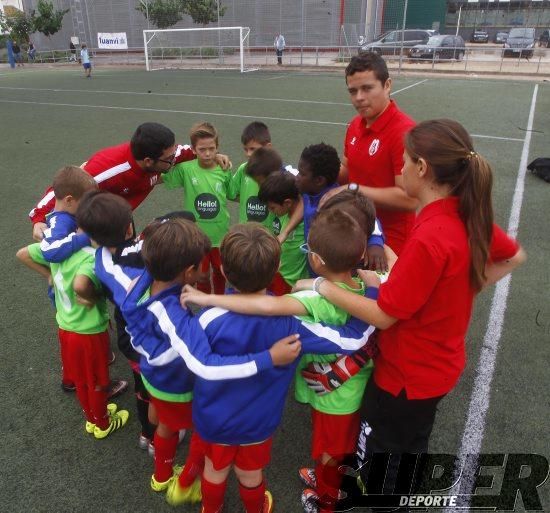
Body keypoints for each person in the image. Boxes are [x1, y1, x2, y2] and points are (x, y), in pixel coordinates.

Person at [294, 119, 526, 509]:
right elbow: (513, 255)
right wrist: (460, 286)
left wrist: (322, 286)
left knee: (381, 453)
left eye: (403, 162)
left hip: (406, 374)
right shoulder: (463, 212)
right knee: (411, 444)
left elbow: (383, 316)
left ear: (422, 169)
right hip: (438, 367)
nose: (399, 170)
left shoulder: (430, 235)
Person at [178, 223, 379, 513]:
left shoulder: (207, 318)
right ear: (275, 273)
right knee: (250, 473)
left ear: (223, 271)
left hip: (213, 419)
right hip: (258, 422)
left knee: (214, 469)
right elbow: (354, 338)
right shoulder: (290, 320)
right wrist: (372, 291)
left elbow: (191, 367)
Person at [106, 218, 301, 503]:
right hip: (218, 406)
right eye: (200, 265)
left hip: (172, 389)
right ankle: (185, 481)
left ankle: (170, 481)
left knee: (193, 448)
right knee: (230, 460)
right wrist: (268, 357)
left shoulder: (149, 291)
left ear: (223, 269)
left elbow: (104, 266)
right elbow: (206, 365)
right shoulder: (287, 320)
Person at [16, 172, 130, 440]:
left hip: (64, 324)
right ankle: (100, 424)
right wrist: (89, 295)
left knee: (80, 379)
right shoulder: (91, 257)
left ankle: (90, 415)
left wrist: (49, 277)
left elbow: (23, 253)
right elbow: (81, 284)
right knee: (99, 381)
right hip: (88, 330)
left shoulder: (56, 250)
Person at [29, 122, 231, 241]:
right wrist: (38, 218)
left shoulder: (164, 154)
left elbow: (187, 151)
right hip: (98, 217)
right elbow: (64, 186)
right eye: (169, 159)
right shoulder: (108, 169)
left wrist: (214, 156)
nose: (174, 158)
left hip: (121, 214)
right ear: (148, 161)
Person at [77, 190, 158, 454]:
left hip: (135, 334)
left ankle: (149, 433)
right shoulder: (111, 262)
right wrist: (154, 270)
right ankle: (152, 435)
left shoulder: (102, 255)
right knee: (151, 387)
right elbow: (131, 300)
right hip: (142, 339)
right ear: (128, 228)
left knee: (146, 385)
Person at [322, 53, 418, 257]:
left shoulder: (404, 132)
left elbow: (409, 199)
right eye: (353, 91)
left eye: (367, 88)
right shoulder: (354, 125)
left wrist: (354, 190)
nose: (359, 97)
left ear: (387, 85)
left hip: (391, 243)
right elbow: (348, 170)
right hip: (355, 232)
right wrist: (313, 174)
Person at [162, 122, 235, 294]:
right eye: (202, 149)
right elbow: (161, 174)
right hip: (196, 237)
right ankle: (204, 304)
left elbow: (232, 193)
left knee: (221, 271)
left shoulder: (224, 169)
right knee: (201, 275)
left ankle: (219, 300)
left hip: (220, 235)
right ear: (193, 150)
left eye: (212, 148)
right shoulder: (185, 169)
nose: (208, 153)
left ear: (217, 148)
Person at [296, 143, 385, 274]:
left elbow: (371, 219)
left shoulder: (338, 201)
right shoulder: (307, 190)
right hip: (315, 273)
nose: (297, 177)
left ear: (319, 180)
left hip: (337, 276)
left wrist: (375, 244)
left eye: (301, 173)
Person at [257, 171, 308, 295]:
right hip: (277, 274)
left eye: (272, 208)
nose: (270, 211)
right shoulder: (284, 212)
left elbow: (304, 200)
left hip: (292, 283)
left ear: (287, 203)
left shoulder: (306, 221)